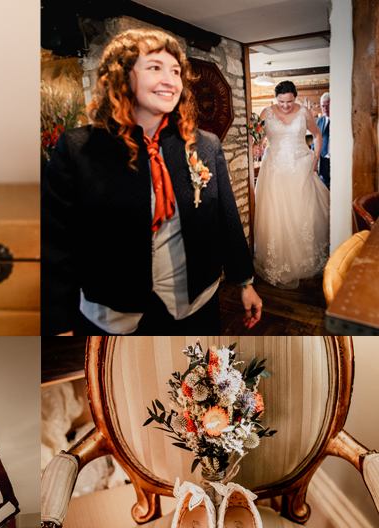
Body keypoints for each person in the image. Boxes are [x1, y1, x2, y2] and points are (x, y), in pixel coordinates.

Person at [43, 29, 261, 335]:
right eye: (154, 68)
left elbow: (226, 219)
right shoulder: (78, 150)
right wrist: (58, 324)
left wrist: (245, 282)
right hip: (115, 313)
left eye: (175, 71)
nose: (170, 81)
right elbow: (56, 246)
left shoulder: (206, 145)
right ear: (122, 76)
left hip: (197, 303)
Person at [251, 81, 330, 288]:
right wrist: (256, 148)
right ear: (275, 98)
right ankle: (280, 260)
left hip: (300, 167)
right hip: (274, 170)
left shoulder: (304, 112)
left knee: (302, 212)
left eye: (290, 101)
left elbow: (317, 135)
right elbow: (258, 139)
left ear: (295, 97)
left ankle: (304, 258)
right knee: (276, 213)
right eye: (281, 101)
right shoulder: (265, 113)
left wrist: (316, 158)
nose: (286, 105)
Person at [314, 92, 330, 187]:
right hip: (322, 160)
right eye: (323, 106)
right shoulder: (318, 122)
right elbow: (314, 142)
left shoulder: (339, 120)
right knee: (324, 187)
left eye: (328, 105)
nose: (325, 109)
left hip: (335, 159)